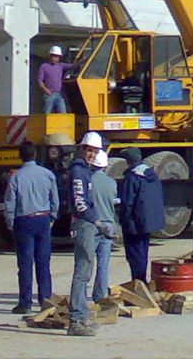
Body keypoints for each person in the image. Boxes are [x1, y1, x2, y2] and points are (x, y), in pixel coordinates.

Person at [2, 141, 59, 315]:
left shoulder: (16, 177)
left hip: (24, 221)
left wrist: (10, 222)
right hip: (42, 219)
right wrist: (52, 216)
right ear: (35, 155)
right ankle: (46, 301)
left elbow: (10, 202)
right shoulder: (47, 174)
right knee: (43, 262)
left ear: (20, 156)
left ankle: (25, 303)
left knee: (25, 264)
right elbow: (54, 199)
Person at [66, 131, 103, 337]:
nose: (92, 154)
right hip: (84, 224)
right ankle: (77, 319)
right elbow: (80, 202)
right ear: (81, 149)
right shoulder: (79, 172)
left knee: (86, 270)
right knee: (82, 271)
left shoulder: (83, 170)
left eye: (95, 151)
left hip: (86, 223)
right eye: (89, 150)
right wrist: (96, 221)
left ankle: (81, 315)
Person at [116, 146, 164, 285]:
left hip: (134, 224)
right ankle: (141, 282)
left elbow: (127, 202)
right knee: (143, 253)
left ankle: (138, 284)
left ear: (128, 161)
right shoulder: (151, 175)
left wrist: (122, 220)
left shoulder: (133, 177)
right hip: (147, 223)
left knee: (134, 255)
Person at [89, 148, 119, 303]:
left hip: (91, 224)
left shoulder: (87, 181)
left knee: (86, 263)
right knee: (103, 263)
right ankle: (100, 296)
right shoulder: (111, 182)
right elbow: (114, 201)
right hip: (108, 224)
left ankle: (80, 296)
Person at [38, 45, 69, 114]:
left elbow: (73, 65)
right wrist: (46, 90)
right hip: (49, 95)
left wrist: (83, 60)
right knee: (47, 114)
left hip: (59, 94)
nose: (56, 59)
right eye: (54, 56)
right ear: (50, 56)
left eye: (57, 57)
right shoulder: (44, 66)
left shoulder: (61, 65)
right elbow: (40, 81)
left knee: (63, 114)